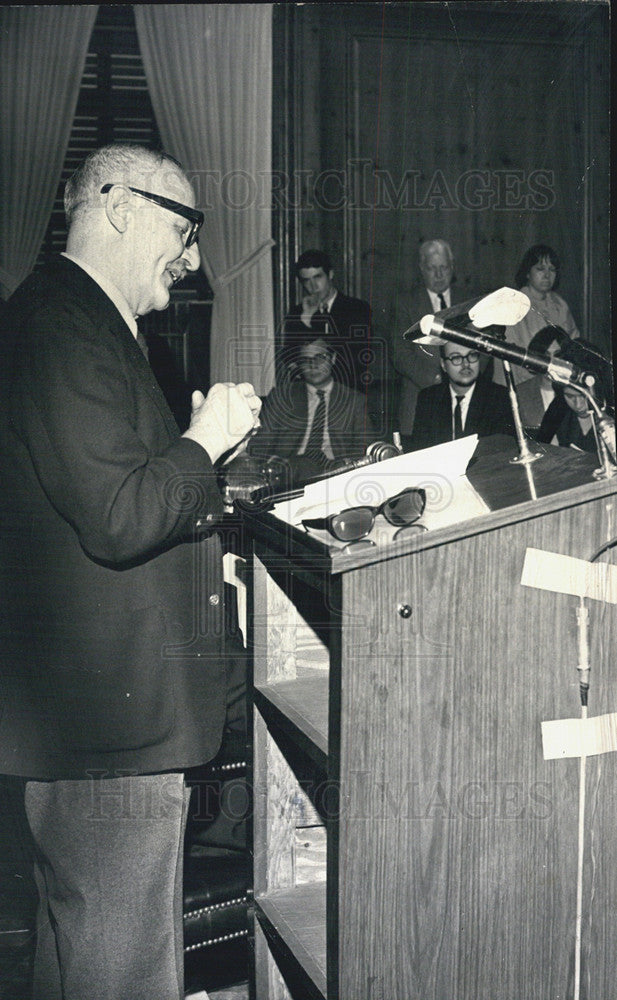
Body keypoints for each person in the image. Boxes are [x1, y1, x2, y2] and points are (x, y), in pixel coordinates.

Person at [0, 143, 262, 1000]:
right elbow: (118, 520)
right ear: (119, 207)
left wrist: (189, 460)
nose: (190, 261)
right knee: (121, 973)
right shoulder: (60, 321)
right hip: (108, 739)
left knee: (74, 958)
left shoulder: (75, 321)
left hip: (95, 730)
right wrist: (203, 442)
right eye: (184, 232)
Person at [391, 239, 488, 449]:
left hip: (465, 397)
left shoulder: (469, 299)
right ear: (421, 269)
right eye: (431, 268)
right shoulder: (406, 302)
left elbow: (484, 347)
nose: (438, 274)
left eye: (443, 267)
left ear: (452, 268)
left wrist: (461, 377)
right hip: (419, 398)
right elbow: (400, 354)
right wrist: (438, 381)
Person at [250, 333, 375, 486]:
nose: (313, 365)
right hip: (289, 473)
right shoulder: (282, 397)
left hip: (336, 473)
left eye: (320, 358)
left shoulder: (354, 400)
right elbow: (260, 444)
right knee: (303, 466)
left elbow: (365, 448)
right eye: (305, 360)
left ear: (333, 359)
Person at [281, 249, 376, 394]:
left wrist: (310, 324)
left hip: (348, 391)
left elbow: (353, 356)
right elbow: (290, 356)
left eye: (317, 277)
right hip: (309, 394)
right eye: (307, 280)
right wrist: (306, 318)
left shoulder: (357, 309)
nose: (313, 286)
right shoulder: (297, 313)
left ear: (330, 274)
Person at [495, 243, 579, 386]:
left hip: (556, 381)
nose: (547, 275)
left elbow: (574, 344)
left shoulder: (560, 305)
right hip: (521, 382)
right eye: (540, 269)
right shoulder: (515, 304)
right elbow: (513, 356)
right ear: (527, 273)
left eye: (552, 269)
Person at [409, 342, 514, 452]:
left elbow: (503, 451)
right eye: (456, 358)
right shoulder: (428, 399)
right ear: (443, 365)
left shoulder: (499, 397)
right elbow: (421, 451)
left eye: (472, 355)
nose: (466, 364)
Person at [537, 338, 614, 453]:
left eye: (583, 396)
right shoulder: (558, 408)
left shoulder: (611, 406)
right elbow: (541, 449)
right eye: (570, 396)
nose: (578, 405)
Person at [515, 325, 570, 435]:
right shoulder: (520, 393)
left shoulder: (576, 394)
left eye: (558, 356)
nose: (552, 363)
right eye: (546, 356)